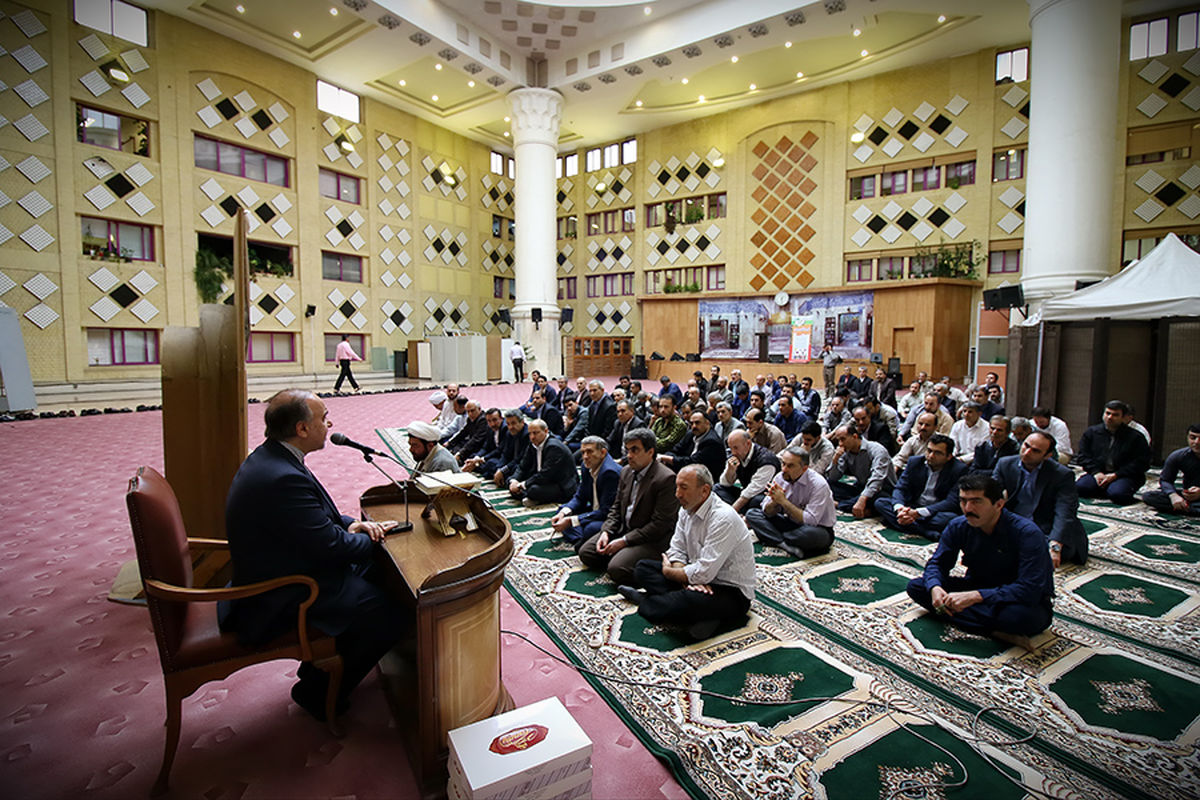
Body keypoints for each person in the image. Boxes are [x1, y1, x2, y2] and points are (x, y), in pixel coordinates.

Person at [221, 389, 403, 720]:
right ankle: (317, 694)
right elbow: (331, 548)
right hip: (281, 592)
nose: (329, 423)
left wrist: (352, 526)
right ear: (302, 429)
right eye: (323, 418)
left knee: (378, 577)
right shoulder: (282, 477)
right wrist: (378, 541)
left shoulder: (273, 457)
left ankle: (325, 669)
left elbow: (317, 520)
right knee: (389, 614)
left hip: (284, 562)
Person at [906, 474, 1055, 647]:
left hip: (1015, 599)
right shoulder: (958, 525)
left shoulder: (1027, 533)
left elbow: (1029, 589)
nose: (968, 508)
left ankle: (969, 619)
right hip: (977, 585)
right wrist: (935, 587)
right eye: (963, 501)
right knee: (918, 587)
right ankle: (992, 630)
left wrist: (976, 597)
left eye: (976, 501)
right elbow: (937, 563)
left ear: (999, 504)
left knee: (1019, 618)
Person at [618, 464, 755, 641]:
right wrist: (683, 578)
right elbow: (677, 548)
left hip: (730, 591)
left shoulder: (723, 519)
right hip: (697, 578)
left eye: (683, 488)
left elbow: (705, 571)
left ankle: (647, 601)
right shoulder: (686, 509)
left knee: (689, 600)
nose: (677, 494)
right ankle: (705, 616)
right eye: (677, 486)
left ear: (704, 491)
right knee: (643, 568)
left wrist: (672, 573)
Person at [578, 428, 680, 585]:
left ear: (650, 452)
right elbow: (616, 508)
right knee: (586, 553)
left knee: (616, 569)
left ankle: (638, 565)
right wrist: (606, 531)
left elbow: (660, 525)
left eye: (635, 450)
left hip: (650, 539)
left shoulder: (666, 478)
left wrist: (624, 541)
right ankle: (623, 556)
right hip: (624, 529)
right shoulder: (626, 471)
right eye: (627, 450)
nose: (629, 455)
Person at [993, 431, 1088, 567]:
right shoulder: (1005, 464)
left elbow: (1065, 511)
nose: (1026, 452)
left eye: (1035, 451)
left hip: (1045, 525)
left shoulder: (1062, 475)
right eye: (1026, 446)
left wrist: (1055, 545)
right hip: (1016, 521)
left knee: (1055, 550)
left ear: (1047, 455)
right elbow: (991, 494)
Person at [745, 446, 836, 558]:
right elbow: (766, 511)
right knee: (752, 514)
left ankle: (773, 537)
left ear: (804, 468)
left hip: (817, 529)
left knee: (809, 535)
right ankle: (785, 544)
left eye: (790, 466)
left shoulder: (818, 484)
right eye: (783, 464)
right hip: (790, 523)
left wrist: (783, 502)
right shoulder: (780, 477)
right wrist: (774, 502)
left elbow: (811, 521)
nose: (784, 469)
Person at [874, 433, 967, 540]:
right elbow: (901, 488)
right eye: (929, 451)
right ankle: (924, 531)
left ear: (949, 456)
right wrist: (900, 509)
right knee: (881, 502)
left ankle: (899, 523)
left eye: (937, 453)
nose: (931, 456)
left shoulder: (959, 469)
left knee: (950, 518)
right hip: (913, 506)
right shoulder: (915, 462)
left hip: (935, 511)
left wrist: (918, 513)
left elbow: (951, 501)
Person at [1075, 400, 1152, 505]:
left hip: (1124, 475)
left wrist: (1116, 475)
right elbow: (1083, 456)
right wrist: (1096, 472)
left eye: (1115, 415)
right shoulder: (1092, 432)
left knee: (1118, 495)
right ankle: (1105, 487)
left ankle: (1110, 488)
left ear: (1123, 418)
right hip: (1098, 473)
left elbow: (1142, 463)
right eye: (1108, 413)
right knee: (1080, 488)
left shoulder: (1135, 437)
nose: (1110, 417)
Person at [551, 436, 621, 545]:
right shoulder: (586, 466)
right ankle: (580, 538)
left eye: (589, 452)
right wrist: (564, 513)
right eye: (583, 452)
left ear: (603, 452)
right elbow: (580, 496)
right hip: (594, 511)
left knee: (590, 528)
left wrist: (572, 521)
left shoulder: (610, 473)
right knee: (562, 511)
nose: (585, 457)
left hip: (609, 518)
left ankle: (579, 538)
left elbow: (606, 512)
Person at [827, 425, 896, 518]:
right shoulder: (846, 451)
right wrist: (835, 460)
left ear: (854, 436)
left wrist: (862, 499)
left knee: (877, 500)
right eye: (838, 440)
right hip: (861, 487)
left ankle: (840, 505)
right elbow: (833, 477)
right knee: (828, 484)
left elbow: (877, 479)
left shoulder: (877, 450)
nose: (840, 444)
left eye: (843, 439)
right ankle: (856, 506)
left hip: (881, 490)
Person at [508, 419, 578, 506]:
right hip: (542, 480)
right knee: (510, 481)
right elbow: (523, 466)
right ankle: (535, 498)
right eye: (530, 434)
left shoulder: (554, 447)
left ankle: (534, 497)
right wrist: (514, 481)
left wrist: (521, 485)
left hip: (560, 484)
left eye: (535, 433)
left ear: (546, 431)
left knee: (533, 490)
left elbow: (546, 474)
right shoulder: (533, 444)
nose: (532, 437)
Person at [716, 429, 781, 513]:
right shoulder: (734, 455)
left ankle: (740, 514)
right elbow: (724, 483)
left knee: (756, 501)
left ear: (748, 444)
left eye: (736, 448)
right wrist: (730, 470)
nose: (733, 452)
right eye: (730, 448)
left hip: (761, 495)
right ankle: (741, 513)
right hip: (744, 492)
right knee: (717, 488)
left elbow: (752, 490)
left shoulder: (767, 461)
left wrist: (731, 512)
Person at [1142, 423, 1200, 516]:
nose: (1196, 442)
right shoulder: (1179, 456)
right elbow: (1165, 480)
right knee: (1149, 496)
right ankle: (1189, 508)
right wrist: (1173, 496)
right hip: (1188, 495)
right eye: (1193, 438)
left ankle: (1187, 508)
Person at [660, 410, 725, 479]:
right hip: (688, 473)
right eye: (691, 423)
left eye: (697, 423)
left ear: (707, 423)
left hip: (706, 479)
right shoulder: (691, 434)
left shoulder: (712, 441)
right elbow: (675, 449)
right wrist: (668, 457)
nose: (694, 426)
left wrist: (667, 458)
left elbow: (692, 462)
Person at [492, 410, 530, 487]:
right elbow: (505, 454)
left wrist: (503, 471)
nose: (510, 427)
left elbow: (520, 459)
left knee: (516, 470)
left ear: (522, 422)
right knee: (492, 464)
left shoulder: (528, 435)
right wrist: (499, 469)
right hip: (512, 463)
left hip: (523, 465)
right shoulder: (509, 433)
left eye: (513, 423)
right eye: (508, 424)